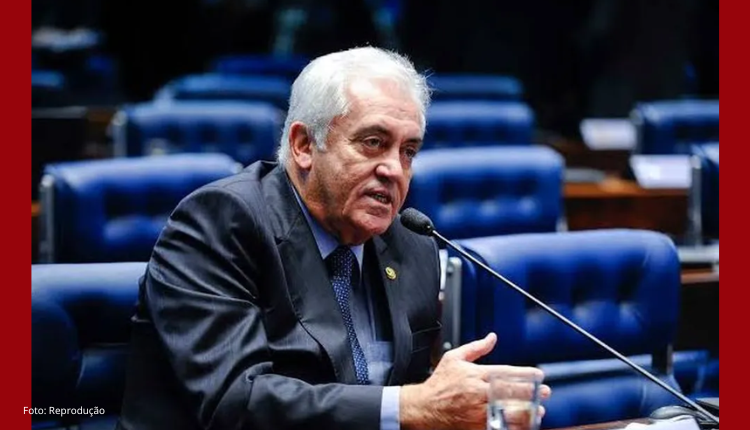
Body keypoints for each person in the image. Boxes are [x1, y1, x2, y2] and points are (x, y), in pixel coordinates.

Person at [117, 46, 551, 430]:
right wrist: (413, 406)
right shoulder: (221, 223)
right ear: (304, 145)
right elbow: (236, 403)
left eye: (408, 151)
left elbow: (413, 397)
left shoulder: (412, 243)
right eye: (373, 142)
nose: (394, 169)